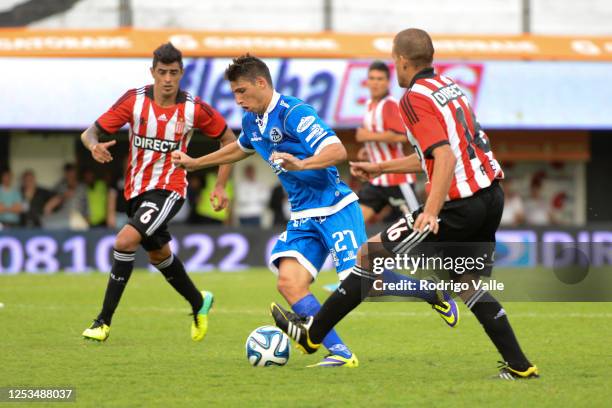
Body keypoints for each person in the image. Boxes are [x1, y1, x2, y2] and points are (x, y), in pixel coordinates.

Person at [271, 29, 538, 380]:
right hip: (491, 197)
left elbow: (442, 157)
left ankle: (312, 335)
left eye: (393, 59)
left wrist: (430, 211)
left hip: (457, 204)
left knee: (369, 255)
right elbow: (440, 153)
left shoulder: (412, 99)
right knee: (467, 282)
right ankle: (520, 366)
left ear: (401, 60)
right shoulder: (451, 88)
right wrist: (381, 167)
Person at [173, 54, 457, 367]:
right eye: (234, 93)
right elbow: (241, 148)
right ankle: (340, 353)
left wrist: (303, 163)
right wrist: (196, 162)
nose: (237, 99)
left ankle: (434, 293)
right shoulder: (252, 121)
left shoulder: (294, 112)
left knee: (364, 282)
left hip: (336, 207)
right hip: (303, 215)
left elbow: (336, 150)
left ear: (261, 83)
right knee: (289, 284)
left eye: (241, 91)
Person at [80, 42, 236, 343]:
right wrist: (93, 146)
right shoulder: (134, 101)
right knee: (159, 255)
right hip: (136, 190)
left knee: (125, 240)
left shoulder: (194, 108)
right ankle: (198, 302)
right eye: (162, 72)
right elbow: (90, 132)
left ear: (182, 74)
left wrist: (219, 184)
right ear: (152, 72)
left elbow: (229, 141)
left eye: (173, 73)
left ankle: (102, 321)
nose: (167, 79)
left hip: (170, 188)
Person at [355, 61, 420, 223]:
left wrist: (366, 137)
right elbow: (377, 133)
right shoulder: (369, 104)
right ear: (367, 81)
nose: (375, 83)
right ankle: (350, 249)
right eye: (372, 78)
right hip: (376, 179)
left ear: (387, 82)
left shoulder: (389, 104)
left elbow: (401, 136)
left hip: (397, 178)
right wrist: (367, 149)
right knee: (354, 223)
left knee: (418, 225)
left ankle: (437, 248)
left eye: (380, 79)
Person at [43, 163, 89, 230]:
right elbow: (50, 202)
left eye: (72, 171)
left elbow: (86, 203)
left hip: (79, 217)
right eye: (68, 172)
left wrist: (87, 217)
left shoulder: (82, 187)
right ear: (65, 173)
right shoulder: (60, 186)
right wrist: (63, 196)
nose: (70, 174)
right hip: (63, 217)